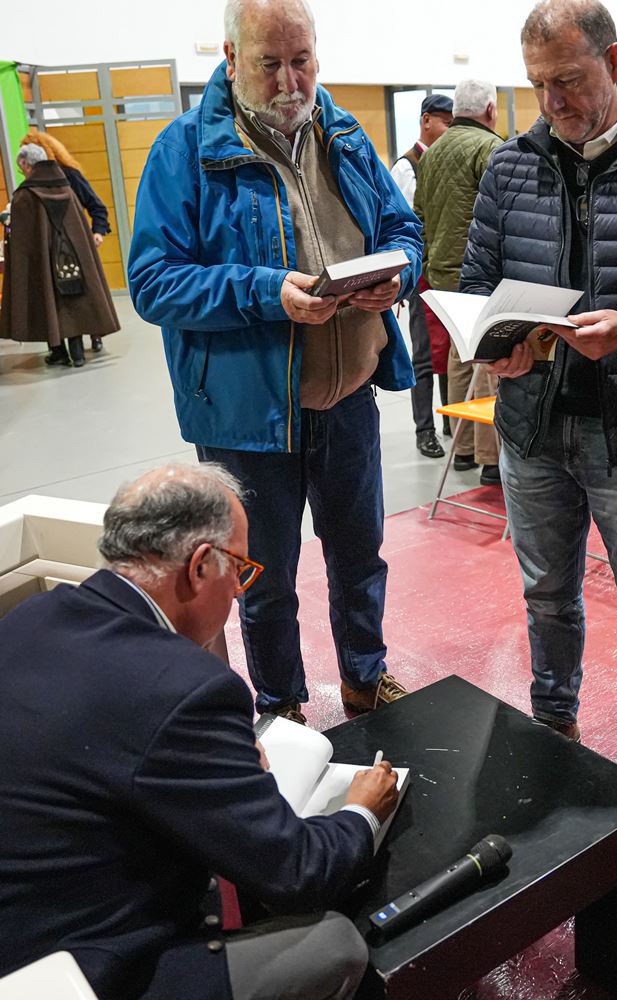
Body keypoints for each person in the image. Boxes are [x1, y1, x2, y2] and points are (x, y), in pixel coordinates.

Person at [0, 464, 400, 1000]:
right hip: (77, 970)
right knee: (333, 946)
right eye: (239, 568)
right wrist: (362, 811)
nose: (239, 590)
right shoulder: (184, 688)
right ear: (197, 568)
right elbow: (300, 874)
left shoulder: (33, 618)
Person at [128, 0, 422, 725]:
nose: (291, 81)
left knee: (360, 557)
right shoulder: (183, 152)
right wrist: (265, 293)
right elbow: (154, 281)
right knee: (263, 582)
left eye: (302, 60)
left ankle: (363, 676)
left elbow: (400, 225)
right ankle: (281, 704)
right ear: (231, 61)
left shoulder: (345, 136)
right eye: (270, 64)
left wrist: (401, 271)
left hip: (348, 399)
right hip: (247, 419)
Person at [460, 0, 617, 793]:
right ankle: (553, 720)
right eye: (538, 85)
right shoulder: (510, 165)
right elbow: (476, 282)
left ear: (613, 57)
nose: (554, 101)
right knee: (546, 596)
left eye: (568, 79)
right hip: (533, 423)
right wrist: (496, 346)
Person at [414, 78, 504, 486]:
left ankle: (461, 449)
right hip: (479, 273)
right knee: (489, 358)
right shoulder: (490, 148)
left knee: (458, 354)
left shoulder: (431, 154)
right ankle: (489, 459)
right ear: (489, 110)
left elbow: (418, 212)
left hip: (441, 272)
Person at [0, 143, 119, 368]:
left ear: (26, 164)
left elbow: (23, 239)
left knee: (47, 298)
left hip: (42, 263)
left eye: (21, 168)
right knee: (73, 298)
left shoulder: (25, 196)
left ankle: (59, 353)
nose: (22, 172)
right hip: (72, 257)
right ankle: (78, 355)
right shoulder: (67, 188)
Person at [391, 93, 454, 460]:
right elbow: (404, 230)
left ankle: (447, 420)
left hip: (445, 272)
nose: (449, 129)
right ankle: (424, 430)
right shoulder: (407, 166)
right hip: (421, 275)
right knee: (425, 356)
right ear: (427, 120)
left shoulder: (447, 163)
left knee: (452, 349)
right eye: (445, 121)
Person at [21, 128, 113, 354]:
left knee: (87, 292)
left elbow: (96, 206)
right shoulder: (34, 185)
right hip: (56, 249)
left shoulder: (69, 175)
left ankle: (95, 334)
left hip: (77, 244)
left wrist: (97, 231)